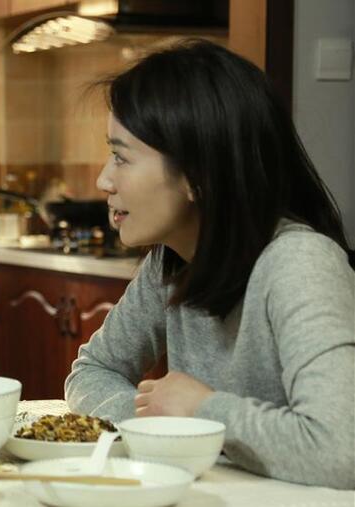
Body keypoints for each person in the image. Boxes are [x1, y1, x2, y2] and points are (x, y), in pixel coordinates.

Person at [64, 39, 354, 489]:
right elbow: (92, 371)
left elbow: (343, 450)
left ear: (197, 175)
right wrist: (159, 425)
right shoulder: (170, 260)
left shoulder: (300, 263)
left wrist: (203, 411)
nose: (104, 180)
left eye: (121, 157)